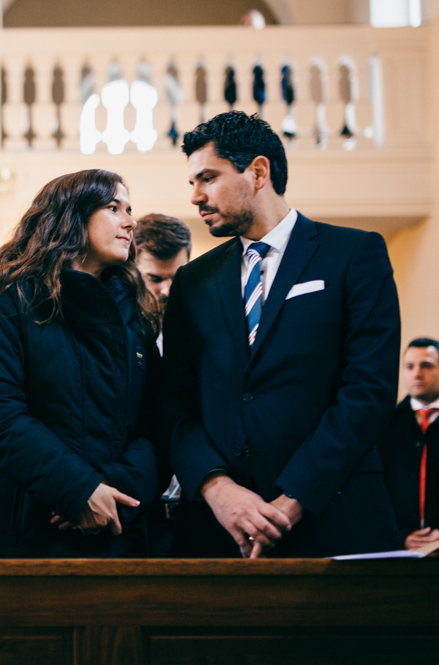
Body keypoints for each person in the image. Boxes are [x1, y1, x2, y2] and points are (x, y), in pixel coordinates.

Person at [165, 111, 402, 558]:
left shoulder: (353, 253)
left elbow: (369, 390)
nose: (196, 196)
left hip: (335, 519)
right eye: (193, 183)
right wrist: (218, 490)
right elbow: (175, 405)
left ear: (258, 171)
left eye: (208, 178)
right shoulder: (192, 281)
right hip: (218, 533)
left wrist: (293, 501)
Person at [0, 169, 164, 559]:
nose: (130, 221)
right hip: (25, 528)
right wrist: (77, 490)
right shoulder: (2, 303)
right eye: (113, 207)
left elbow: (155, 422)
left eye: (130, 209)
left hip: (121, 527)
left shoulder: (134, 313)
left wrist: (110, 487)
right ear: (71, 216)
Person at [133, 213, 191, 555]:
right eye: (155, 278)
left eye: (176, 277)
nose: (167, 289)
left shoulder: (204, 331)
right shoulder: (117, 337)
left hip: (195, 513)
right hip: (135, 512)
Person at [378, 338, 439, 551]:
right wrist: (400, 535)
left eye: (427, 365)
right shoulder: (384, 425)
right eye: (410, 366)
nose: (417, 374)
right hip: (397, 547)